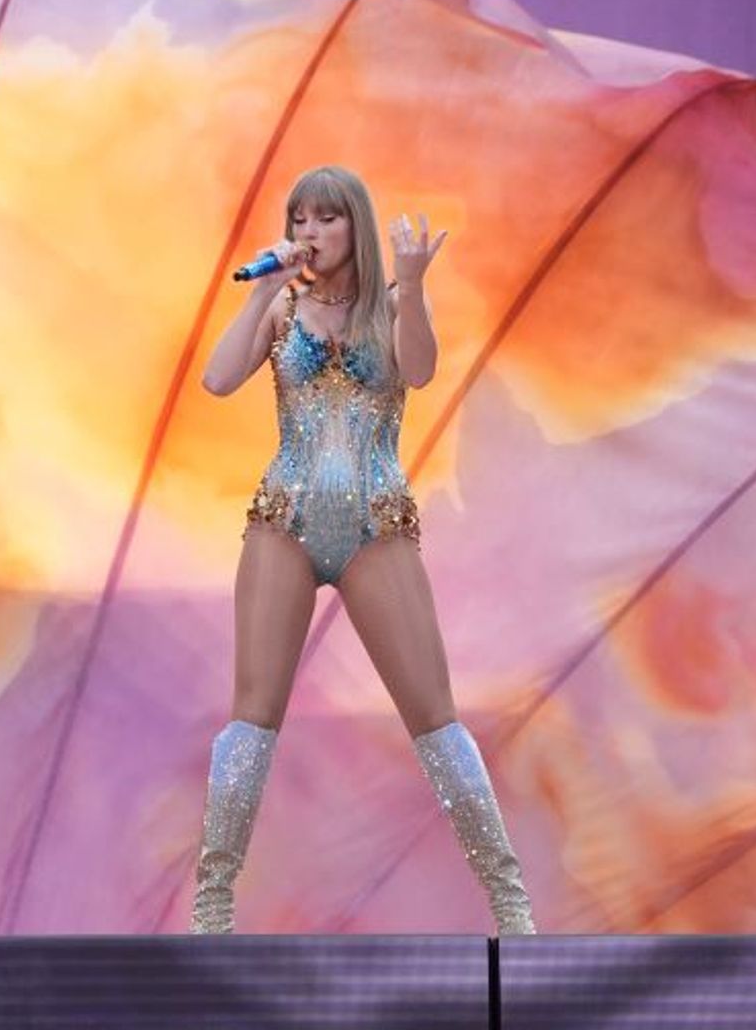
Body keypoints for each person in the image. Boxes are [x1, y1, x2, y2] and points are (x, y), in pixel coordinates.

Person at [189, 164, 535, 936]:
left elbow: (419, 368)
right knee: (254, 714)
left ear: (357, 227)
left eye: (326, 218)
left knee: (435, 717)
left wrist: (411, 287)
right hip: (286, 519)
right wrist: (256, 293)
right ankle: (213, 905)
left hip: (376, 526)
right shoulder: (282, 305)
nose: (309, 232)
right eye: (299, 218)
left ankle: (510, 904)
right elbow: (215, 380)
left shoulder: (388, 306)